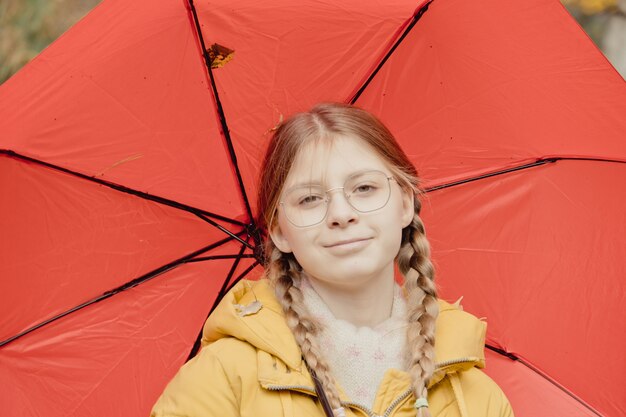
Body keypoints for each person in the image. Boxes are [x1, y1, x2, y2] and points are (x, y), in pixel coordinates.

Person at [150, 103, 514, 417]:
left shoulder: (474, 397)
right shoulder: (221, 381)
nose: (341, 213)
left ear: (405, 203)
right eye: (310, 199)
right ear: (278, 231)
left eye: (364, 188)